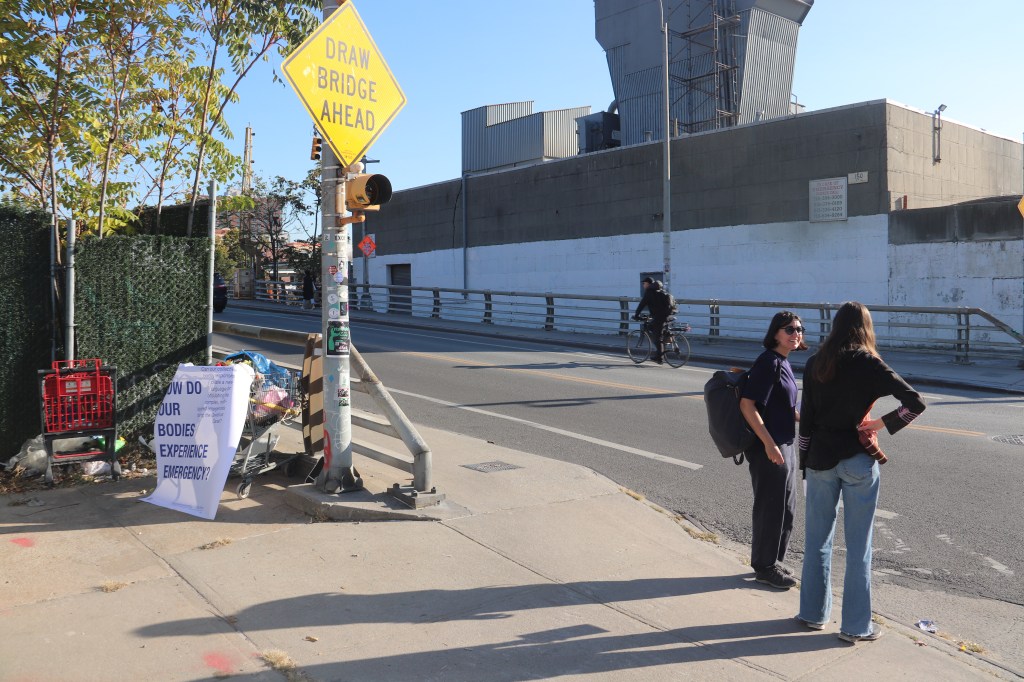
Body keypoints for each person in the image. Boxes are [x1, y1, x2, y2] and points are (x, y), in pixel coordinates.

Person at [796, 301, 926, 643]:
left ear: (835, 326)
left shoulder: (815, 363)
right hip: (857, 460)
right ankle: (855, 626)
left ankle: (812, 614)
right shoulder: (869, 363)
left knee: (816, 542)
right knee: (859, 548)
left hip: (820, 460)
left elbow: (806, 420)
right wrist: (878, 424)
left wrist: (804, 464)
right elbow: (916, 403)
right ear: (866, 328)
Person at [739, 311, 807, 590]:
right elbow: (748, 405)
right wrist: (769, 444)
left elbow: (787, 407)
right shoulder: (768, 362)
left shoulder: (784, 362)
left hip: (786, 442)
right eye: (789, 329)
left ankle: (774, 560)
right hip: (769, 445)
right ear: (775, 333)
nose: (796, 334)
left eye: (799, 329)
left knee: (786, 506)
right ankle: (764, 566)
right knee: (771, 505)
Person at [633, 277, 673, 364]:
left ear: (648, 283)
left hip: (660, 317)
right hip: (666, 315)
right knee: (655, 330)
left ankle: (659, 357)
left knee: (656, 337)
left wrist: (636, 315)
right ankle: (663, 344)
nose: (643, 285)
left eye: (644, 283)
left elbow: (642, 304)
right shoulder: (659, 290)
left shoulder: (649, 292)